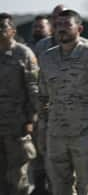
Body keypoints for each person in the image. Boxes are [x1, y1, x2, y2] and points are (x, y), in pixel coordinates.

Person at [38, 9, 88, 195]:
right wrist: (44, 124)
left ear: (79, 28)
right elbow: (42, 95)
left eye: (67, 25)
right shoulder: (47, 58)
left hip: (84, 133)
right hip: (56, 134)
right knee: (59, 186)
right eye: (58, 25)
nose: (61, 29)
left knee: (87, 186)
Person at [0, 13, 39, 194]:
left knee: (18, 175)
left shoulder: (23, 54)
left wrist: (31, 119)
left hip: (17, 125)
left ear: (13, 31)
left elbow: (34, 90)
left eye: (3, 27)